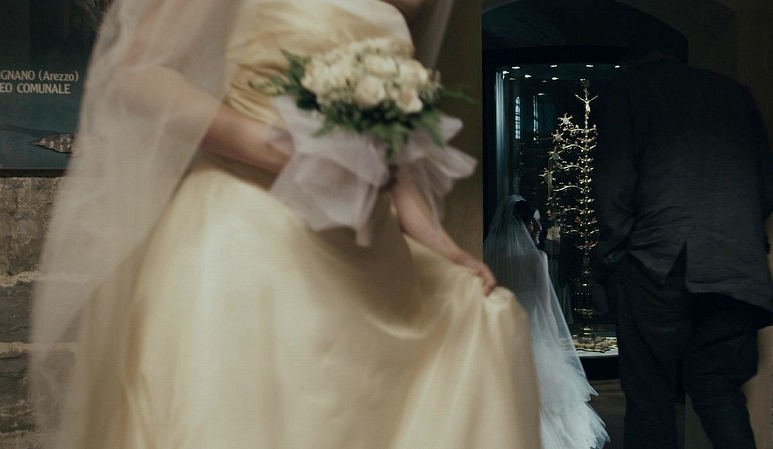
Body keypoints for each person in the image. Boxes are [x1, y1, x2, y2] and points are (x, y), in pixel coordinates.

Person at [29, 1, 543, 448]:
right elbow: (138, 74)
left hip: (372, 261)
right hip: (251, 237)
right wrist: (285, 152)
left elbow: (391, 147)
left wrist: (442, 244)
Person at [593, 48, 773, 449]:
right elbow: (767, 188)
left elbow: (612, 187)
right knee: (719, 390)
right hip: (736, 267)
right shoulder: (735, 93)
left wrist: (613, 259)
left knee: (650, 401)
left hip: (656, 264)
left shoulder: (627, 90)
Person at [484, 195, 609, 449]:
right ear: (522, 226)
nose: (539, 228)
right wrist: (556, 347)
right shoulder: (535, 258)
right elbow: (547, 310)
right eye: (533, 222)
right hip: (532, 345)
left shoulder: (488, 258)